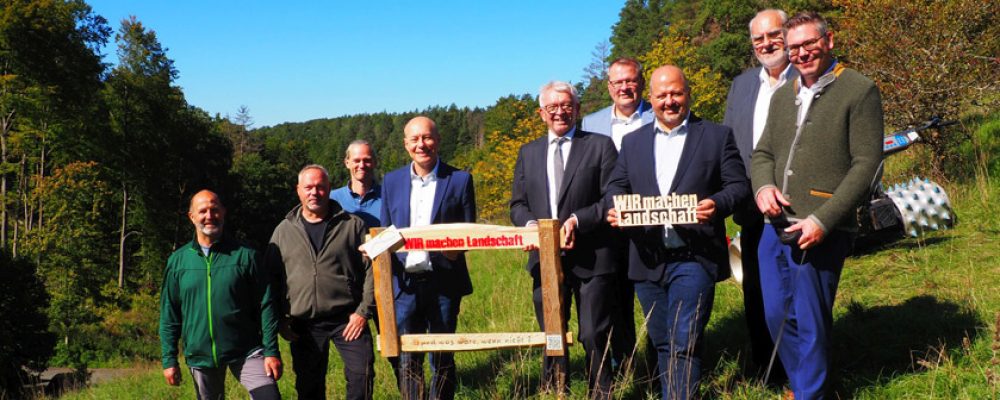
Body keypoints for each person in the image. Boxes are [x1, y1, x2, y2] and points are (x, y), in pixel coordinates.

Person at [751, 11, 883, 399]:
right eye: (794, 47)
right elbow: (762, 153)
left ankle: (811, 393)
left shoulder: (859, 90)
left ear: (829, 40)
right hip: (774, 225)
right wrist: (763, 188)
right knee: (775, 315)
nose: (802, 53)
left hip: (820, 227)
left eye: (809, 43)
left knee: (810, 321)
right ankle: (805, 385)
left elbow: (866, 164)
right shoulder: (783, 95)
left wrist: (824, 220)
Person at [606, 65, 749, 399]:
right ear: (650, 98)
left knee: (684, 340)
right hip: (648, 258)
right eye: (662, 95)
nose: (669, 101)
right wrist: (616, 207)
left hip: (694, 256)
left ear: (688, 94)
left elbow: (738, 186)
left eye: (676, 93)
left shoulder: (716, 136)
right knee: (662, 341)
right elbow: (616, 185)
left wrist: (717, 203)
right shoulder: (632, 142)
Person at [510, 81, 620, 398]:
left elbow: (612, 197)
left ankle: (601, 392)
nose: (560, 112)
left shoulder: (600, 146)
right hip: (544, 259)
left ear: (577, 109)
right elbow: (517, 204)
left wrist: (576, 221)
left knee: (593, 332)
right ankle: (556, 390)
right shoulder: (528, 152)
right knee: (552, 332)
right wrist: (533, 227)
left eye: (566, 105)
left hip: (593, 256)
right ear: (541, 113)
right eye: (552, 107)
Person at [722, 8, 797, 382]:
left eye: (773, 35)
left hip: (799, 207)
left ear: (789, 34)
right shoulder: (742, 85)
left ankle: (802, 371)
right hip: (752, 209)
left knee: (798, 293)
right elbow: (729, 144)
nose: (766, 44)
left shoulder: (807, 77)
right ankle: (767, 370)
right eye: (758, 39)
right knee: (755, 291)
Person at [380, 116, 477, 400]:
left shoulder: (459, 179)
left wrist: (456, 249)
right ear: (405, 144)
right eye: (414, 139)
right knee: (408, 358)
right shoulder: (391, 181)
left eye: (427, 137)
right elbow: (386, 230)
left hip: (444, 281)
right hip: (405, 284)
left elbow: (469, 230)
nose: (421, 145)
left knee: (442, 355)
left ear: (438, 140)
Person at [160, 190, 283, 400]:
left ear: (223, 212)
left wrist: (271, 351)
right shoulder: (178, 262)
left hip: (246, 350)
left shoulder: (246, 256)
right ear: (191, 217)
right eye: (203, 211)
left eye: (214, 209)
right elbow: (169, 314)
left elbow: (266, 304)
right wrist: (169, 359)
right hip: (200, 356)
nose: (209, 216)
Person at [266, 165, 375, 400]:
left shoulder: (352, 225)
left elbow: (372, 271)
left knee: (362, 376)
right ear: (298, 190)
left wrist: (363, 313)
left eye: (320, 187)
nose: (314, 192)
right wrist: (281, 319)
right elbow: (272, 280)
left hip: (348, 318)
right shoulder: (283, 231)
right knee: (309, 388)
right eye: (308, 187)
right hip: (303, 323)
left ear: (329, 189)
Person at [580, 57, 654, 370]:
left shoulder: (658, 115)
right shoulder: (590, 124)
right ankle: (625, 365)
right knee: (615, 300)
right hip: (608, 227)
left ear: (641, 83)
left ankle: (659, 363)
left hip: (651, 223)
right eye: (618, 82)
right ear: (609, 87)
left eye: (630, 80)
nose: (624, 87)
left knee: (653, 298)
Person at [330, 140, 382, 229]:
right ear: (347, 163)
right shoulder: (333, 199)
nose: (362, 165)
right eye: (356, 161)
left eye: (367, 160)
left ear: (374, 162)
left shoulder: (388, 198)